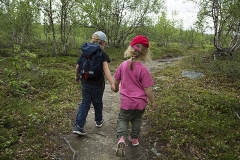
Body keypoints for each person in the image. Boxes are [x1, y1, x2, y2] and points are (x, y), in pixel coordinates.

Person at [113, 35, 156, 157]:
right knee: (137, 119)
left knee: (123, 119)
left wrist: (115, 88)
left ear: (131, 49)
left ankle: (121, 139)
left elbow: (116, 80)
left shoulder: (123, 65)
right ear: (145, 53)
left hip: (126, 102)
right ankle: (134, 139)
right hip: (140, 103)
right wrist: (152, 101)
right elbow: (148, 88)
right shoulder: (144, 70)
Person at [73, 31, 115, 135]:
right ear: (103, 43)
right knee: (98, 102)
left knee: (85, 103)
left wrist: (77, 77)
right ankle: (98, 120)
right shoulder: (102, 53)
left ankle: (78, 126)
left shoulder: (85, 52)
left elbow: (77, 66)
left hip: (85, 82)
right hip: (98, 84)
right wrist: (112, 83)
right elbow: (106, 70)